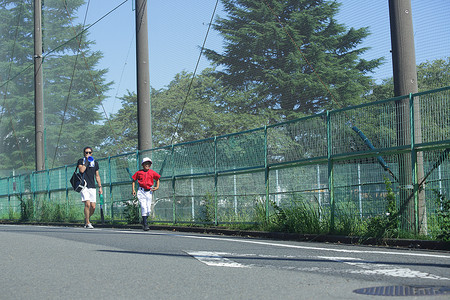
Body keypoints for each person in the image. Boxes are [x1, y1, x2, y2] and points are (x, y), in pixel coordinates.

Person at [132, 157, 161, 231]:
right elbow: (133, 180)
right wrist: (133, 190)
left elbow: (157, 179)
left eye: (148, 164)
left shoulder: (152, 172)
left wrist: (157, 187)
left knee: (148, 209)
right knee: (143, 207)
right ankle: (145, 224)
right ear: (142, 165)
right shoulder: (139, 172)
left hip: (149, 191)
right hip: (141, 192)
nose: (147, 165)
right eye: (145, 163)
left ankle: (144, 220)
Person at [77, 146, 103, 229]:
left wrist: (100, 187)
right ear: (84, 153)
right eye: (86, 152)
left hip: (92, 186)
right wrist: (87, 162)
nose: (88, 154)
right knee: (87, 204)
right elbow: (81, 170)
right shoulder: (81, 161)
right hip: (83, 185)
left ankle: (86, 218)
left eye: (89, 152)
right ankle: (88, 223)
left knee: (93, 206)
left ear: (92, 153)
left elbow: (97, 176)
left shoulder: (95, 163)